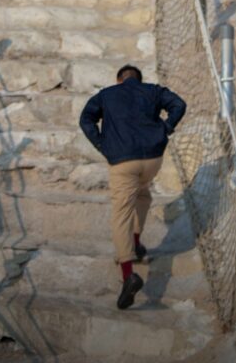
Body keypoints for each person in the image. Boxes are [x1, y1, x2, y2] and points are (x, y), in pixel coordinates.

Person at [79, 64, 187, 309]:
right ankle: (136, 243)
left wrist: (101, 144)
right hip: (152, 159)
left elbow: (85, 119)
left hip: (122, 161)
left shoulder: (106, 94)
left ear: (119, 80)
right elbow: (179, 105)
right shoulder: (153, 91)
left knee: (121, 213)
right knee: (143, 195)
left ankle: (128, 275)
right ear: (139, 79)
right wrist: (165, 128)